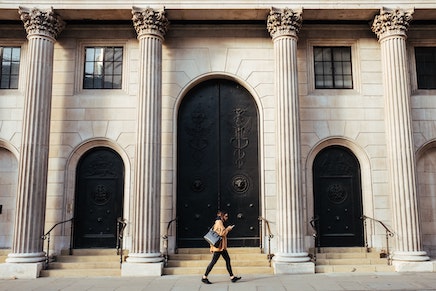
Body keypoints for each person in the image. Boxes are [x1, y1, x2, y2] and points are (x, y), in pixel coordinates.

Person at [201, 210, 241, 284]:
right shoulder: (219, 222)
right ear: (222, 216)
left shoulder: (219, 222)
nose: (227, 218)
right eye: (226, 216)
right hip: (219, 248)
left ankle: (232, 277)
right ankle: (204, 277)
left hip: (221, 247)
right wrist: (228, 229)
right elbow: (222, 233)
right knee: (213, 262)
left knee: (227, 260)